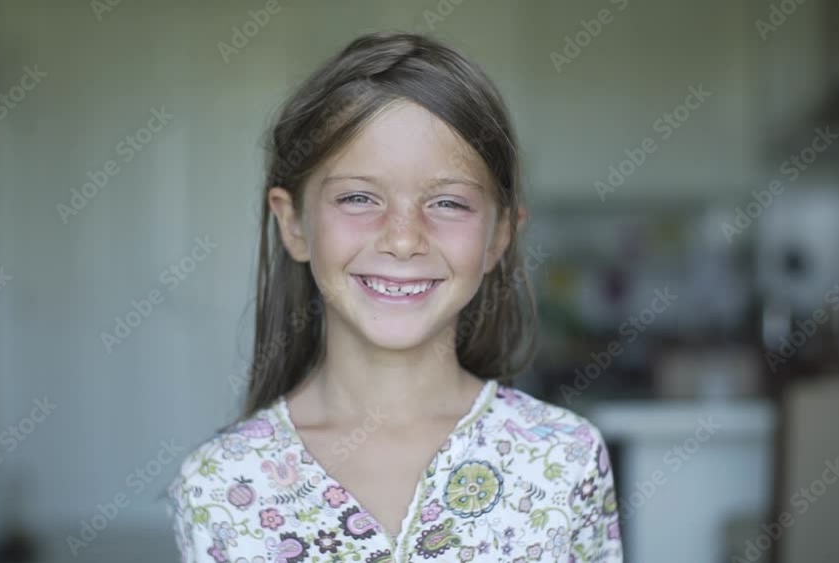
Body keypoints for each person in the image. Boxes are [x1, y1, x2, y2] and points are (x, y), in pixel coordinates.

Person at [168, 32, 622, 562]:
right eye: (359, 198)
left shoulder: (564, 458)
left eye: (448, 203)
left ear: (500, 235)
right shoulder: (220, 484)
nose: (403, 240)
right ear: (293, 223)